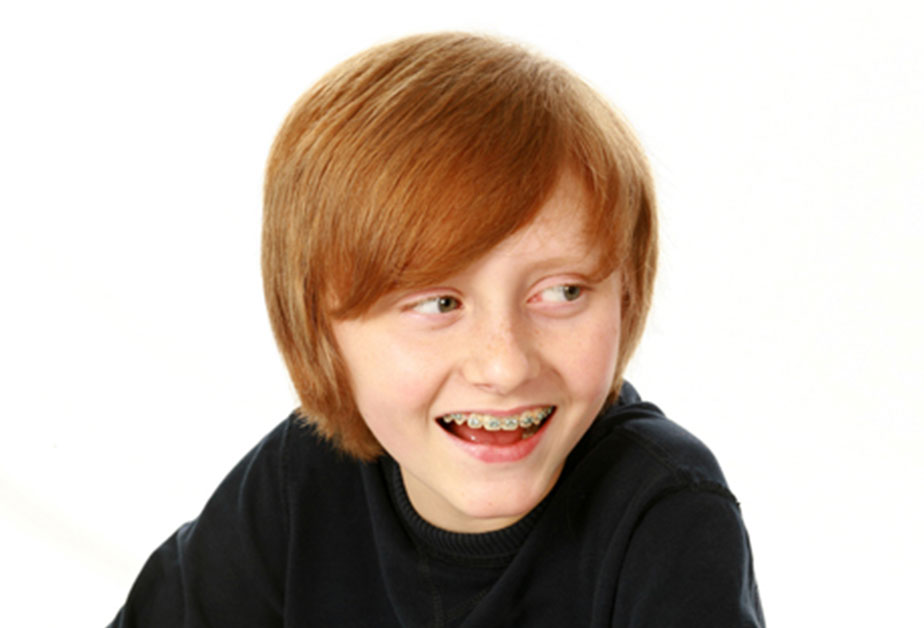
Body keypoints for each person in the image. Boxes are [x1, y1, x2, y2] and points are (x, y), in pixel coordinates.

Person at [110, 32, 764, 627]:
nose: (504, 366)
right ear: (320, 331)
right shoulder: (302, 479)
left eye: (562, 292)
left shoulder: (663, 513)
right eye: (438, 304)